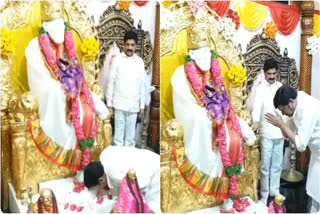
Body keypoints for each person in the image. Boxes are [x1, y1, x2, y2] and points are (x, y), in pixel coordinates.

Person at [170, 11, 256, 212]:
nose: (204, 55)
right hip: (200, 118)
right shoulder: (180, 74)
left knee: (233, 130)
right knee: (206, 119)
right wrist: (206, 113)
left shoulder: (213, 72)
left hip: (220, 116)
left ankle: (232, 186)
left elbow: (224, 99)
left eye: (207, 51)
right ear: (192, 51)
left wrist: (221, 111)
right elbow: (183, 104)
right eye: (200, 51)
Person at [25, 1, 108, 171]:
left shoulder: (65, 43)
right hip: (50, 89)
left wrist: (74, 83)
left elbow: (75, 69)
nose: (59, 29)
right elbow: (37, 77)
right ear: (46, 26)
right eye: (55, 25)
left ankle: (93, 111)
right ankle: (65, 140)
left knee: (83, 91)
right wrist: (61, 85)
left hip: (71, 87)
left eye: (61, 25)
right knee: (60, 92)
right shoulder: (35, 46)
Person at [265, 85, 320, 212]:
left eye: (283, 109)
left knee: (317, 194)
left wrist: (281, 124)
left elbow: (300, 145)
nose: (283, 113)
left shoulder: (308, 109)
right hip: (316, 155)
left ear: (290, 102)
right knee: (314, 192)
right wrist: (282, 126)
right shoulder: (297, 100)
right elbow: (290, 133)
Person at [83, 146, 159, 212]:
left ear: (100, 180)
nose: (99, 190)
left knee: (150, 208)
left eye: (98, 187)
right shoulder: (104, 154)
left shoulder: (116, 175)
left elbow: (138, 188)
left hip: (155, 173)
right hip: (151, 157)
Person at [251, 58, 284, 205]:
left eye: (274, 73)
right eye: (269, 74)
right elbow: (257, 107)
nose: (271, 76)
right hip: (266, 132)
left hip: (280, 132)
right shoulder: (260, 88)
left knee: (277, 164)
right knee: (265, 165)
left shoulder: (281, 86)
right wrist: (256, 121)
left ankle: (275, 191)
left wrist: (286, 128)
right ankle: (264, 194)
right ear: (264, 73)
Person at [106, 30, 146, 147]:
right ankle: (118, 164)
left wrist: (142, 105)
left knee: (130, 140)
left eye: (132, 45)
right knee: (118, 139)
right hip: (118, 104)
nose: (129, 48)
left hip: (133, 105)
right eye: (127, 45)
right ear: (123, 44)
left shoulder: (139, 62)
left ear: (136, 46)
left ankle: (129, 164)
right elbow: (111, 82)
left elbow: (142, 85)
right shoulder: (117, 60)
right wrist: (109, 103)